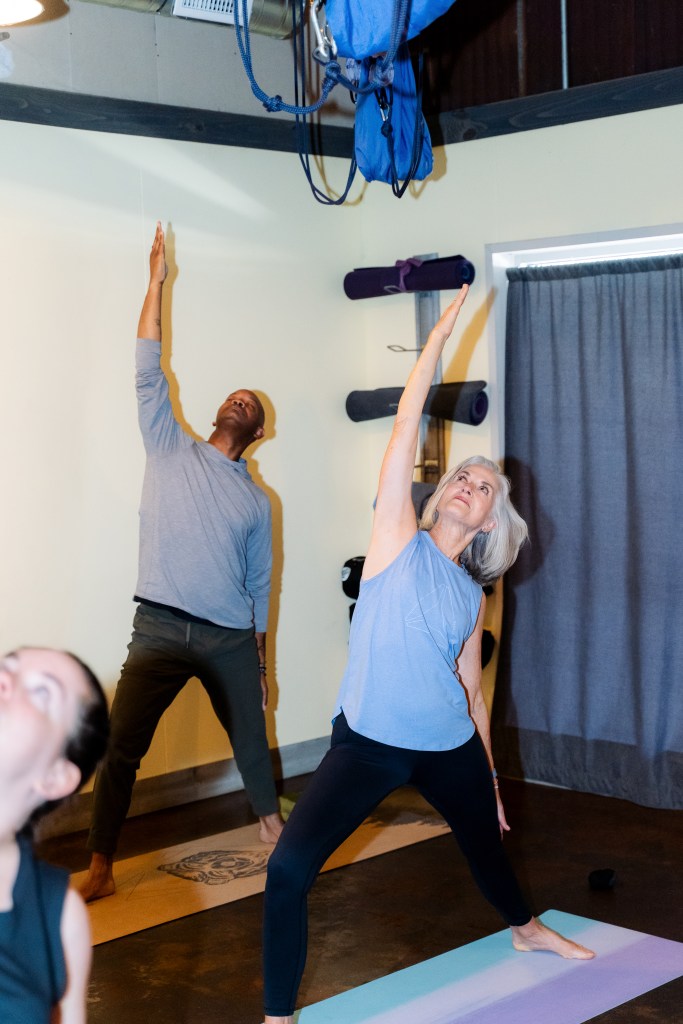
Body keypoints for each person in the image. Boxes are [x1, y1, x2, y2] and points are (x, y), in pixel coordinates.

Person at [262, 284, 594, 1024]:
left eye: (483, 490)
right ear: (440, 493)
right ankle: (277, 1015)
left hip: (446, 747)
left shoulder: (470, 599)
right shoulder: (393, 542)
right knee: (287, 870)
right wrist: (440, 335)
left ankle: (526, 929)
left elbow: (470, 694)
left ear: (485, 524)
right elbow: (407, 424)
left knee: (488, 851)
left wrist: (489, 781)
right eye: (464, 479)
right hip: (369, 746)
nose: (469, 487)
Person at [80, 223, 283, 903]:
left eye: (248, 407)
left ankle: (273, 832)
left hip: (226, 635)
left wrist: (259, 671)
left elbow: (258, 590)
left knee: (251, 744)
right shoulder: (170, 446)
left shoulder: (257, 502)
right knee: (119, 748)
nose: (237, 401)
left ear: (257, 434)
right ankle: (101, 866)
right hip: (160, 628)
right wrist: (155, 283)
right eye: (234, 397)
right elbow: (146, 365)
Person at [0, 646, 109, 1023]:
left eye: (41, 692)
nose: (3, 680)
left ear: (55, 776)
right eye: (6, 667)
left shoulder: (59, 919)